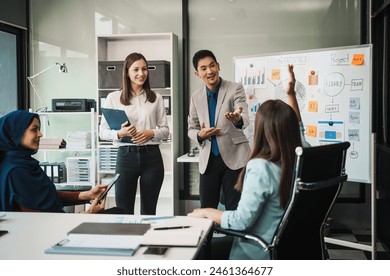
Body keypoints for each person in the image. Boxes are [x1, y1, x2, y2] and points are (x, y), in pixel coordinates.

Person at [188, 64, 309, 260]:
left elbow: (240, 222)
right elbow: (299, 129)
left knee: (199, 254)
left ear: (262, 129)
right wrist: (291, 94)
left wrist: (206, 212)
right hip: (290, 246)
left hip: (255, 249)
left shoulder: (261, 167)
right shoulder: (302, 152)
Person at [99, 52, 169, 215]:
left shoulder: (156, 98)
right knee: (123, 211)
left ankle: (147, 241)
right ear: (127, 72)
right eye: (136, 69)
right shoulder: (113, 97)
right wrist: (120, 133)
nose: (141, 73)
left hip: (152, 158)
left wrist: (150, 133)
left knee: (149, 212)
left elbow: (165, 131)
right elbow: (102, 132)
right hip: (125, 156)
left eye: (144, 69)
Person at [0, 110, 107, 213]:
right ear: (16, 134)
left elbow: (45, 196)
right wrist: (87, 215)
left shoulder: (24, 162)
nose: (40, 134)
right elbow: (36, 220)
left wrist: (86, 195)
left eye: (39, 129)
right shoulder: (16, 171)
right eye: (34, 129)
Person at [188, 49, 251, 210]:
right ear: (197, 73)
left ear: (218, 66)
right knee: (207, 207)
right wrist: (199, 134)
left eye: (212, 66)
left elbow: (243, 116)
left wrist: (237, 118)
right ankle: (206, 236)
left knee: (235, 207)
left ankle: (236, 236)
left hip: (235, 157)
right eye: (204, 68)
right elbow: (191, 128)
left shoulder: (235, 88)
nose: (209, 71)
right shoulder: (196, 97)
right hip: (209, 160)